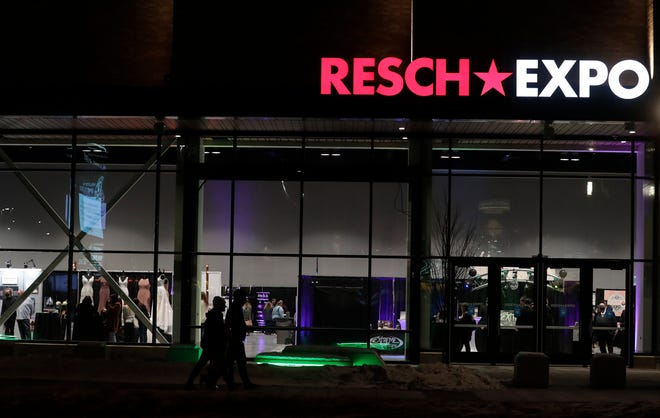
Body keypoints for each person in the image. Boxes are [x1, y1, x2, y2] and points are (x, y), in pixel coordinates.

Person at [185, 296, 228, 390]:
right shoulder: (217, 316)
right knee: (219, 364)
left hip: (210, 344)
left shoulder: (213, 314)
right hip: (213, 345)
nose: (225, 307)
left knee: (204, 363)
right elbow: (218, 331)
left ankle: (202, 381)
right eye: (223, 305)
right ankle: (210, 381)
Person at [225, 288, 257, 390]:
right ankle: (244, 383)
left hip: (234, 340)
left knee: (232, 363)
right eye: (244, 297)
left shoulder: (234, 308)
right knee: (240, 362)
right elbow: (233, 324)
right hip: (236, 340)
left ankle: (232, 382)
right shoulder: (236, 309)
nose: (245, 299)